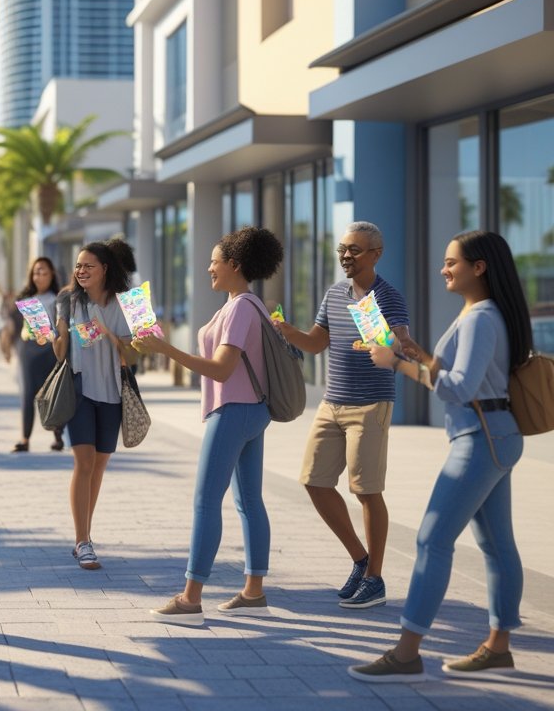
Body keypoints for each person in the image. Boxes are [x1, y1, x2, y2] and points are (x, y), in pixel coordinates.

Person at [351, 231, 531, 682]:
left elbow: (458, 388)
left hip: (480, 438)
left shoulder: (480, 318)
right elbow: (464, 376)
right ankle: (498, 647)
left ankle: (407, 653)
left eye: (451, 263)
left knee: (432, 540)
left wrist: (396, 364)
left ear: (479, 267)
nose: (443, 269)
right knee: (496, 546)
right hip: (494, 434)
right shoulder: (484, 313)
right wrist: (420, 355)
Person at [133, 226, 283, 625]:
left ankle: (190, 599)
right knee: (249, 502)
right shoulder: (247, 303)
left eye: (214, 261)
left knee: (205, 502)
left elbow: (221, 368)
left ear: (234, 264)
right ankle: (254, 592)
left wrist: (165, 349)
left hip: (233, 411)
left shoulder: (238, 308)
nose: (208, 267)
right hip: (252, 411)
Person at [274, 222, 411, 609]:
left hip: (371, 403)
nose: (346, 256)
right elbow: (317, 343)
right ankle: (360, 558)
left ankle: (376, 579)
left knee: (366, 491)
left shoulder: (389, 296)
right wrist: (286, 331)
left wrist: (385, 343)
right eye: (342, 249)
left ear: (375, 255)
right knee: (314, 481)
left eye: (354, 250)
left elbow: (401, 347)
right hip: (332, 403)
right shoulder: (334, 293)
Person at [53, 239, 137, 571]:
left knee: (99, 466)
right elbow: (60, 354)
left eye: (88, 265)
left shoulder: (127, 304)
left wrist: (109, 334)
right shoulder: (68, 300)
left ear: (105, 269)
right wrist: (53, 336)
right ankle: (82, 540)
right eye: (78, 265)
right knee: (84, 463)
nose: (81, 271)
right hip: (80, 390)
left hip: (113, 392)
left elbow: (132, 357)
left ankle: (86, 533)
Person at [4, 257, 63, 452]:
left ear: (52, 274)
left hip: (50, 348)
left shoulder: (58, 298)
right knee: (28, 393)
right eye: (37, 272)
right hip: (28, 349)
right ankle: (25, 438)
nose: (40, 276)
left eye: (44, 272)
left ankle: (58, 436)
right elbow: (13, 325)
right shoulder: (24, 299)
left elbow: (62, 327)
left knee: (53, 393)